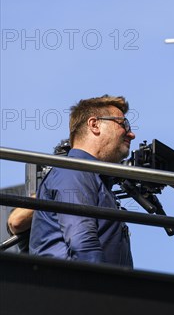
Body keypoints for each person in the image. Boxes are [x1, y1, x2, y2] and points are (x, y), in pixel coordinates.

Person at [29, 95, 136, 267]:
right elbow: (82, 242)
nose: (131, 134)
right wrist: (102, 289)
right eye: (124, 124)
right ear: (94, 125)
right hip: (72, 289)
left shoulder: (93, 178)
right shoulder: (74, 171)